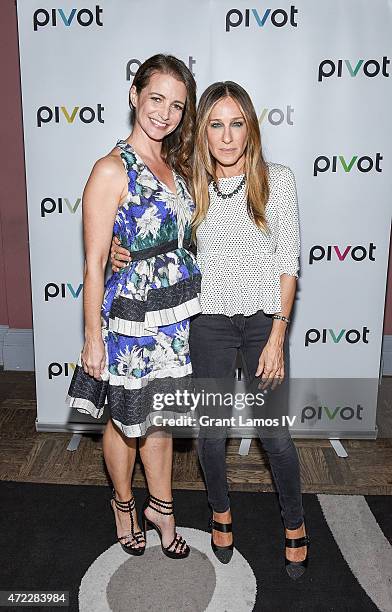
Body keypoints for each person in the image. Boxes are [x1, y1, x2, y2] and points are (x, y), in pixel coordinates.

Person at [111, 80, 310, 579]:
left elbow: (289, 262)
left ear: (251, 128)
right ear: (203, 132)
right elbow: (152, 230)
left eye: (236, 124)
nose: (226, 137)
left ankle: (295, 523)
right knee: (210, 436)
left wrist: (277, 337)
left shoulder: (277, 180)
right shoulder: (188, 183)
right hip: (208, 325)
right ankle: (220, 515)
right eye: (216, 125)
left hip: (264, 323)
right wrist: (121, 250)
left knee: (276, 437)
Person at [66, 54, 201, 560]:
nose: (164, 113)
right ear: (134, 96)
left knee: (161, 418)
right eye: (156, 99)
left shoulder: (177, 166)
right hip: (130, 320)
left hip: (176, 314)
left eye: (176, 105)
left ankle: (161, 507)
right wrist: (92, 339)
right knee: (127, 419)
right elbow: (95, 263)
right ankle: (124, 504)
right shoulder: (109, 169)